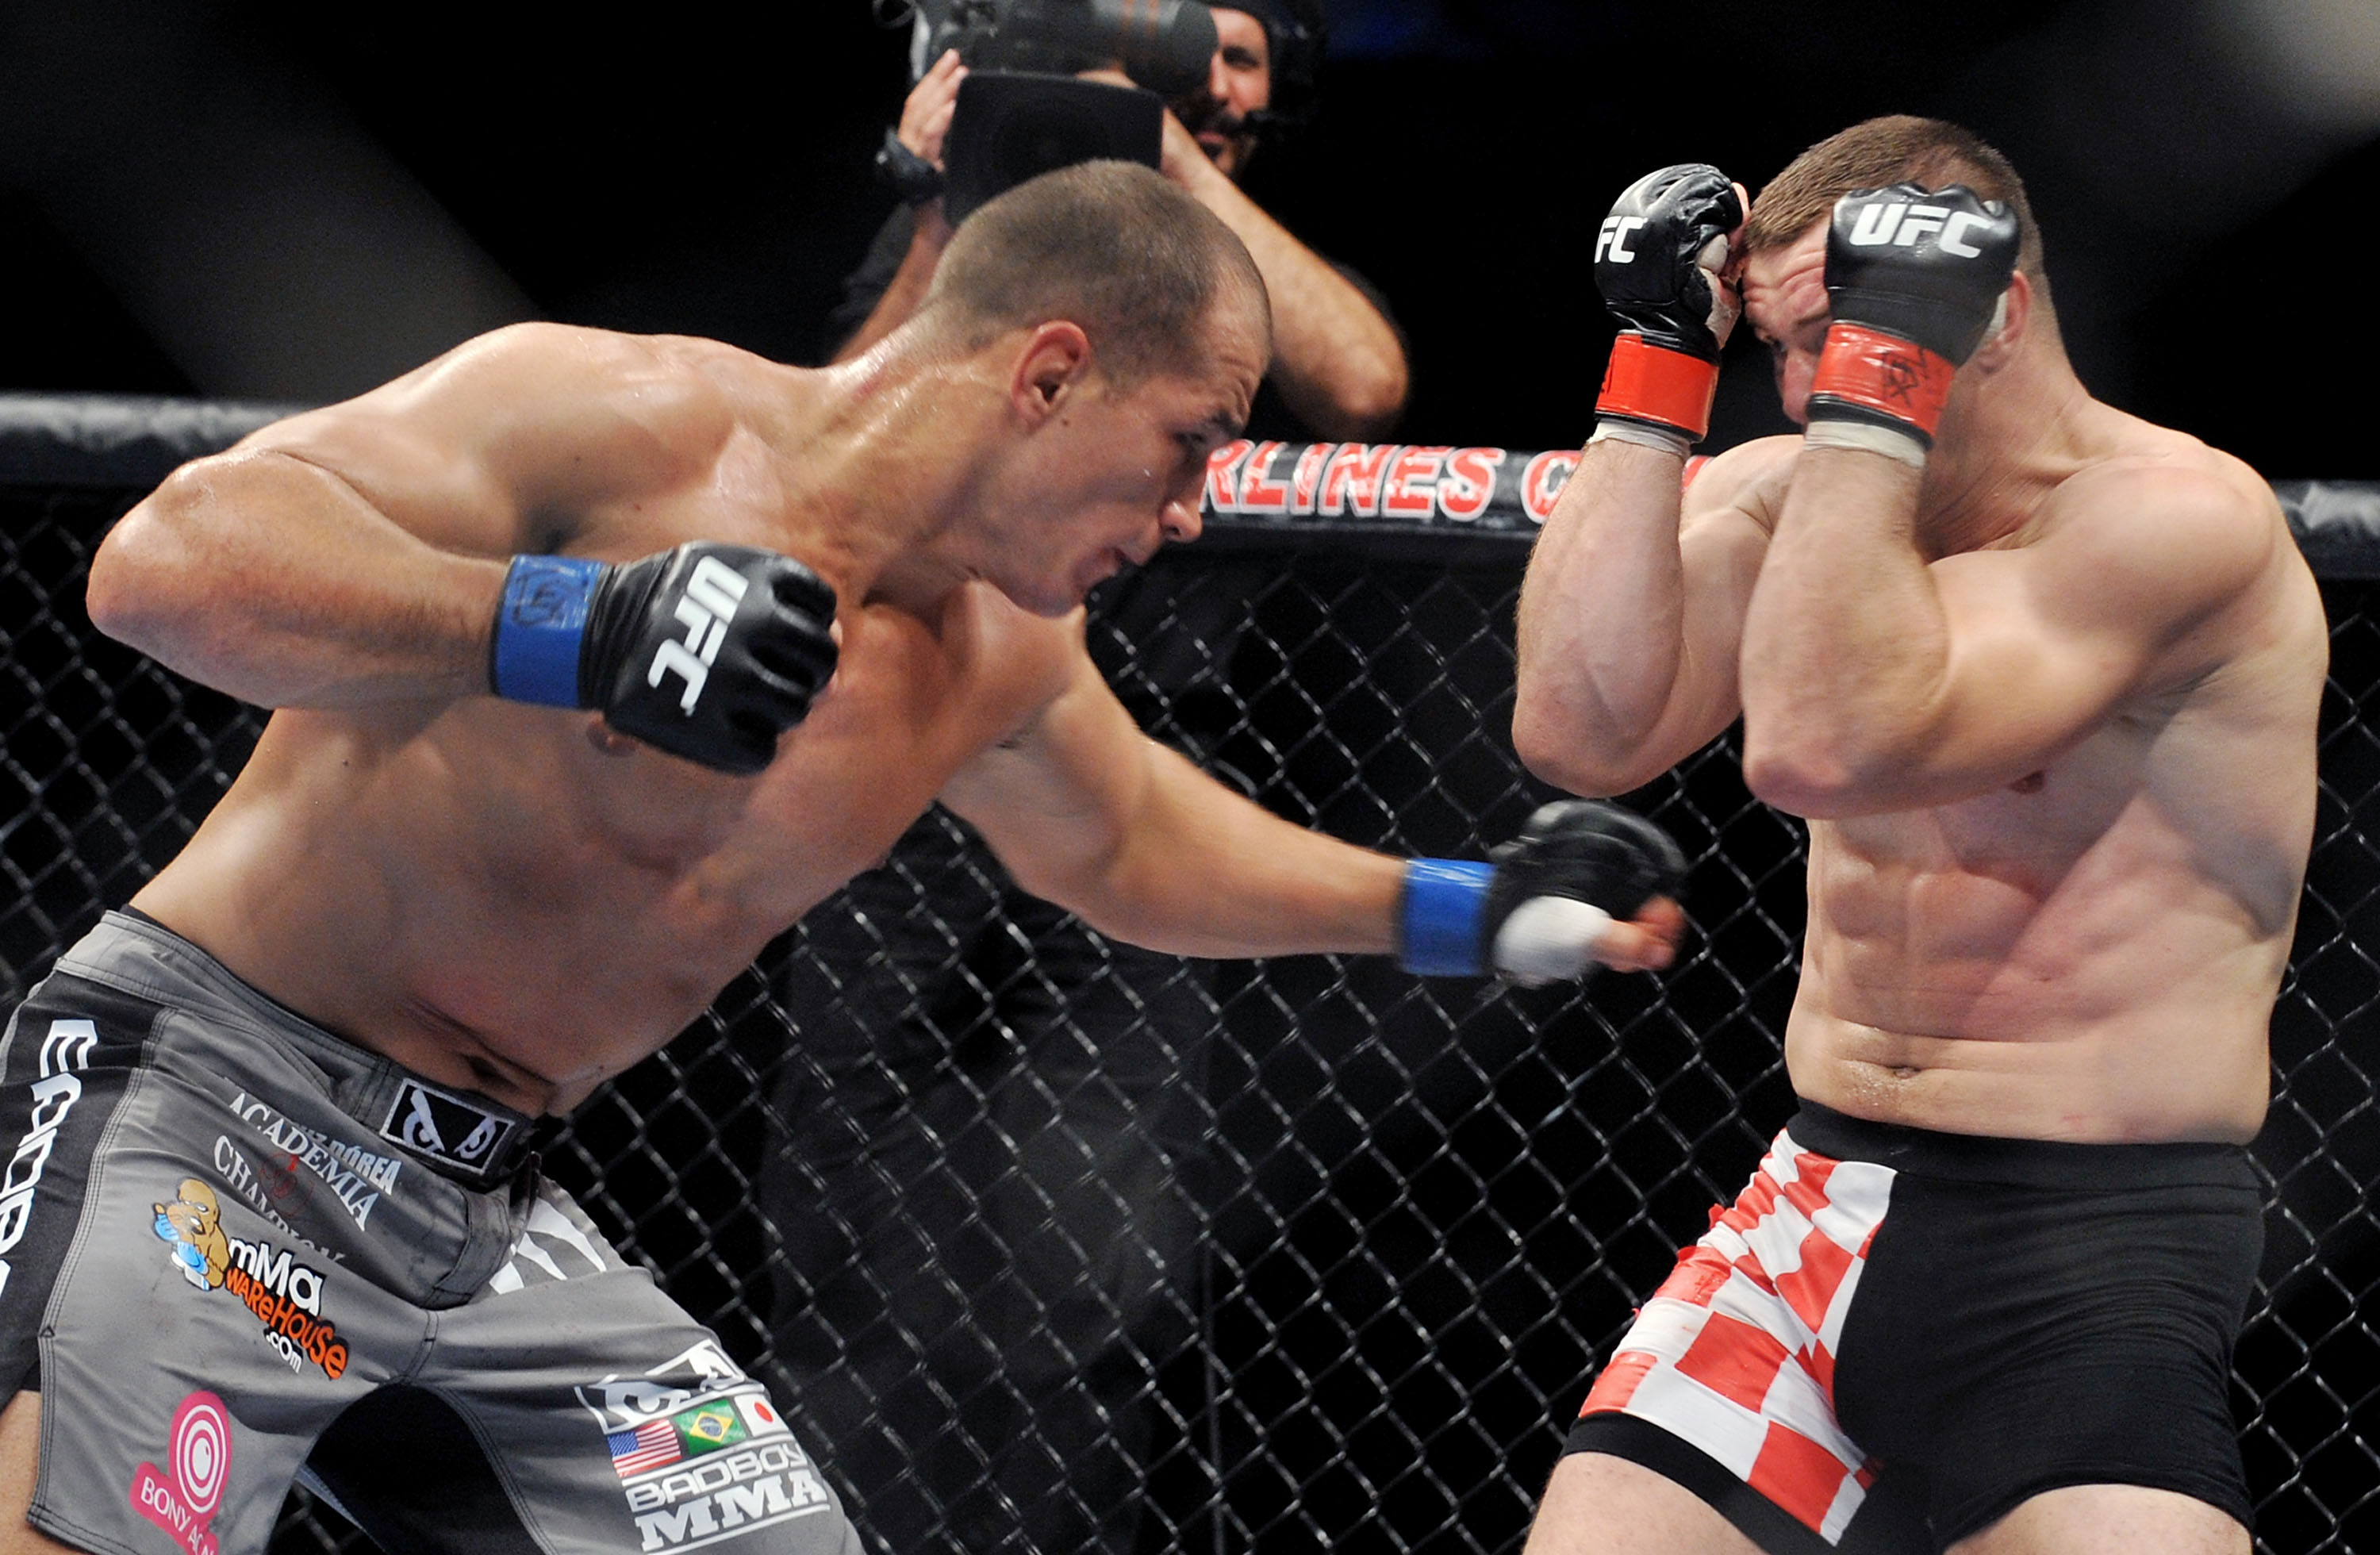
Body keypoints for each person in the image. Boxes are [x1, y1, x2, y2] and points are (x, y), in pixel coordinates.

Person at [0, 162, 1683, 1555]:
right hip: (216, 1101)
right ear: (1048, 372)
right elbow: (166, 561)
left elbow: (1135, 843)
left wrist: (1471, 907)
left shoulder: (1000, 655)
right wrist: (579, 624)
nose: (1191, 510)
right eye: (1189, 438)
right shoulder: (619, 422)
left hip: (486, 1206)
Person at [1511, 117, 2324, 1555]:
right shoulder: (1798, 492)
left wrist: (1877, 390)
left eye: (1851, 330)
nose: (1811, 386)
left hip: (2079, 1251)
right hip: (1806, 1209)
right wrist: (1655, 369)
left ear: (1990, 312)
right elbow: (1580, 727)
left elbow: (1826, 747)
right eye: (1781, 345)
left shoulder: (2175, 522)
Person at [765, 10, 1405, 1549]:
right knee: (845, 1218)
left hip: (1136, 767)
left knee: (1091, 1260)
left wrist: (1150, 142)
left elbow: (1366, 377)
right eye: (1209, 43)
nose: (1236, 81)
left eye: (1253, 58)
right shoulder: (973, 243)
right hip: (902, 763)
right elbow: (810, 446)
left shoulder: (1221, 265)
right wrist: (946, 182)